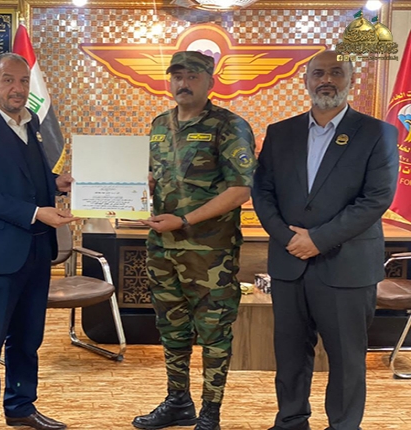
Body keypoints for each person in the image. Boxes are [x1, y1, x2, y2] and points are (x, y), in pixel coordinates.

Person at [252, 50, 399, 430]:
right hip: (289, 264)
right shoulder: (280, 133)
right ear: (306, 80)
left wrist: (318, 240)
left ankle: (344, 426)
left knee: (347, 360)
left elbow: (376, 198)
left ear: (351, 80)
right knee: (289, 356)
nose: (326, 80)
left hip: (347, 265)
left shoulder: (377, 133)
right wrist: (289, 238)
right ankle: (290, 421)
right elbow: (262, 193)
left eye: (336, 72)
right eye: (318, 73)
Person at [0, 52, 76, 430]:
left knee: (27, 338)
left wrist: (55, 184)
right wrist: (36, 212)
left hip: (36, 249)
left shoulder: (31, 120)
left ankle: (21, 407)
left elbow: (26, 177)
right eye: (8, 80)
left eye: (23, 81)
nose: (17, 88)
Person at [133, 51, 257, 430]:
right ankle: (178, 402)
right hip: (163, 249)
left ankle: (210, 413)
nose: (183, 83)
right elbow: (154, 176)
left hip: (210, 253)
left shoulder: (229, 126)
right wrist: (142, 184)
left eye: (192, 76)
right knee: (171, 328)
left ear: (210, 82)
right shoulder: (159, 125)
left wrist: (185, 220)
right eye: (177, 76)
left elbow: (240, 189)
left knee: (214, 333)